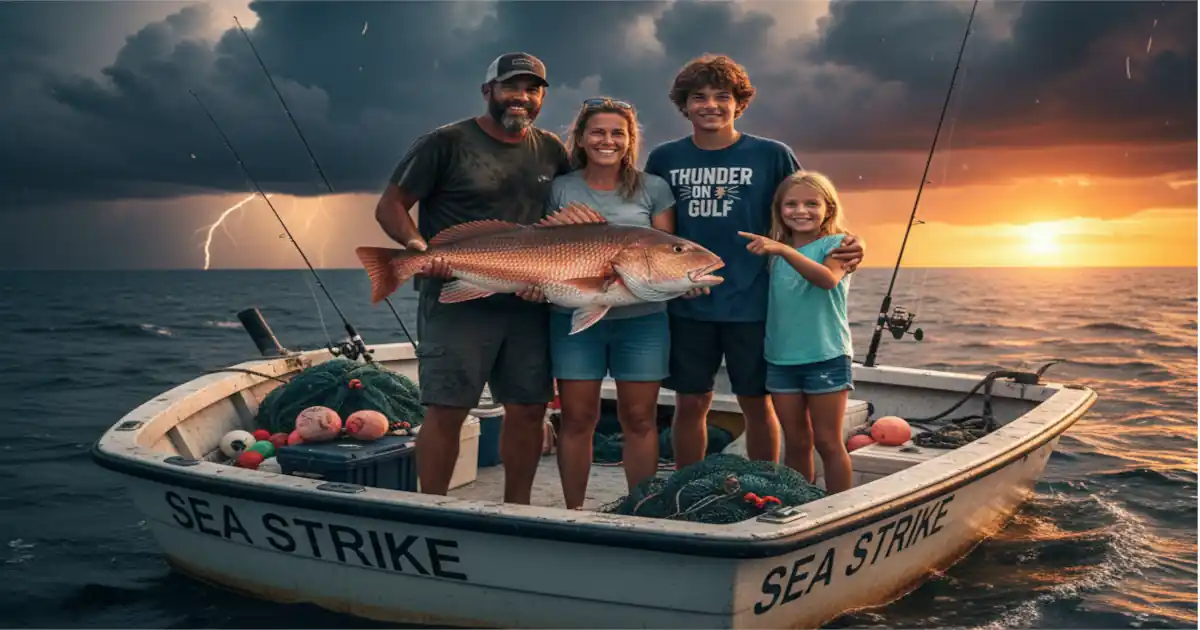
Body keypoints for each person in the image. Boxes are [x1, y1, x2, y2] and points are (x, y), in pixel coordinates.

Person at [642, 54, 866, 470]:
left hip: (757, 302)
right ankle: (687, 485)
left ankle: (762, 483)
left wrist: (851, 244)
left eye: (722, 96)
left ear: (739, 103)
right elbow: (654, 229)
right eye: (699, 97)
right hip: (689, 301)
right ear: (684, 106)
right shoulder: (664, 158)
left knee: (756, 403)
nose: (711, 105)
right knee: (690, 402)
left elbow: (808, 207)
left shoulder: (772, 154)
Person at [372, 52, 571, 504]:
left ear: (541, 97)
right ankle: (432, 507)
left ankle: (516, 507)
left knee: (528, 408)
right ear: (488, 91)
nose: (521, 97)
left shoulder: (552, 151)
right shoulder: (443, 142)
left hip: (527, 301)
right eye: (510, 87)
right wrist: (417, 249)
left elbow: (567, 223)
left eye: (532, 88)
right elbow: (390, 206)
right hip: (456, 296)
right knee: (447, 408)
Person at [542, 97, 677, 509]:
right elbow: (546, 249)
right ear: (581, 138)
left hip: (643, 321)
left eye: (618, 133)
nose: (608, 140)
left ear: (630, 140)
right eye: (597, 132)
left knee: (638, 419)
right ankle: (574, 512)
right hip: (573, 318)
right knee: (579, 418)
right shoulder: (561, 187)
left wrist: (691, 279)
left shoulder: (653, 188)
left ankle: (643, 509)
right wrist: (535, 284)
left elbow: (668, 252)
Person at [738, 171, 855, 493]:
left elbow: (827, 279)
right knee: (796, 440)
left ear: (828, 209)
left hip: (826, 357)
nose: (800, 211)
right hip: (780, 361)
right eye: (791, 204)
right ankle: (800, 502)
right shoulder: (773, 252)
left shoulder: (838, 245)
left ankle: (839, 507)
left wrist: (784, 251)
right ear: (779, 210)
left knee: (828, 442)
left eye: (811, 203)